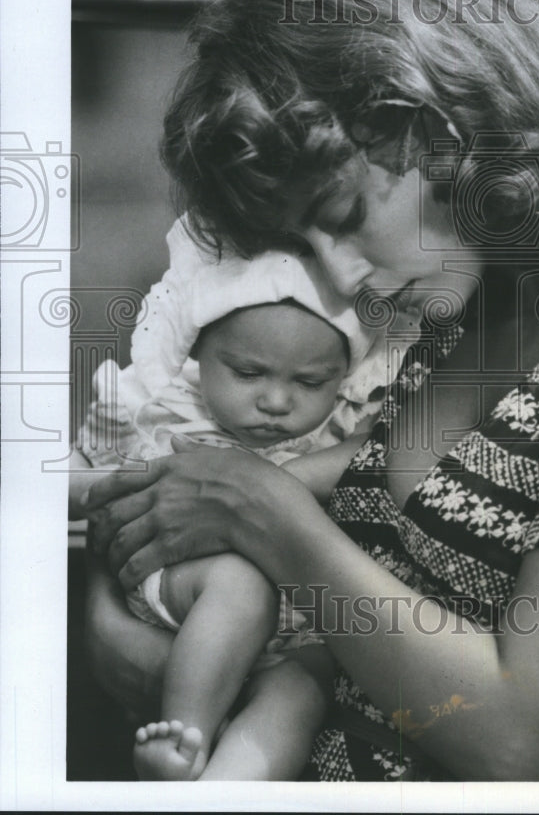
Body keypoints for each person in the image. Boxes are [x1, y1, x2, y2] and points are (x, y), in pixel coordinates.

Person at [81, 0, 539, 781]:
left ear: (434, 129)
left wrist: (273, 521)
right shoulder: (480, 290)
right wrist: (120, 616)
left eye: (341, 218)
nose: (342, 279)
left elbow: (523, 740)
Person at [70, 217, 396, 779]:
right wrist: (121, 483)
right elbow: (67, 483)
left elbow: (379, 452)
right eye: (248, 372)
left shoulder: (336, 428)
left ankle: (224, 788)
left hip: (291, 630)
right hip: (185, 583)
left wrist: (291, 471)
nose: (275, 400)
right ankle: (183, 740)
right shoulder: (160, 405)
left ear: (342, 376)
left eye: (310, 381)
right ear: (201, 350)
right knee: (239, 586)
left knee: (299, 692)